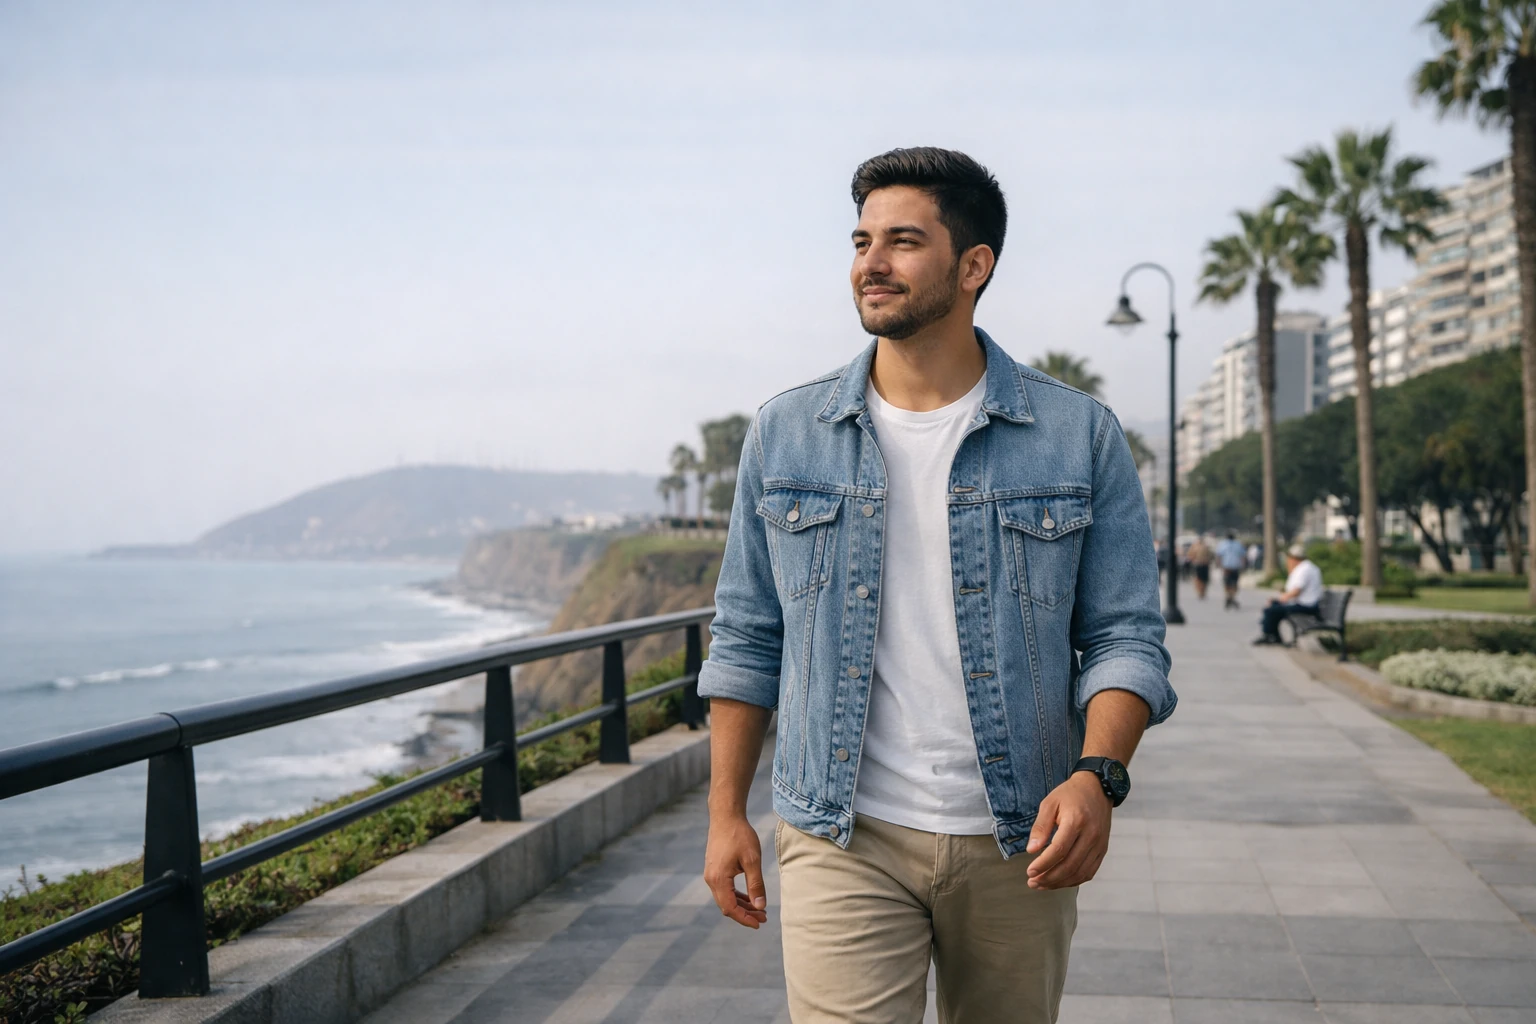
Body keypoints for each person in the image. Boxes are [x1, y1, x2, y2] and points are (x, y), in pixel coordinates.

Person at [697, 147, 1176, 1024]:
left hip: (1020, 834)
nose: (869, 263)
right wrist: (727, 811)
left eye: (902, 241)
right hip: (842, 832)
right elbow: (747, 634)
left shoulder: (1078, 435)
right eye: (860, 239)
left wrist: (1096, 777)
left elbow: (1124, 636)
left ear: (973, 266)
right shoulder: (787, 435)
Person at [1254, 542, 1325, 645]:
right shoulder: (1305, 567)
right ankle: (1272, 635)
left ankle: (1270, 635)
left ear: (1293, 558)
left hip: (1307, 606)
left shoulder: (1304, 569)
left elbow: (1296, 591)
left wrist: (1282, 598)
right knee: (1274, 606)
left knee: (1271, 610)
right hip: (1306, 604)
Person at [1216, 530, 1246, 610]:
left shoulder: (1222, 544)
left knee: (1227, 584)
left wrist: (1219, 566)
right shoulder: (1238, 544)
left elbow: (1219, 556)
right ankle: (1231, 597)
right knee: (1234, 584)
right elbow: (1242, 557)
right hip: (1235, 567)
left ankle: (1229, 597)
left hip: (1226, 567)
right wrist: (1243, 566)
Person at [1186, 534, 1213, 600]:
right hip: (1201, 564)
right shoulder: (1204, 547)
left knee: (1201, 579)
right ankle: (1201, 591)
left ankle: (1201, 591)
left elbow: (1190, 555)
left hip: (1201, 564)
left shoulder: (1199, 547)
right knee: (1201, 579)